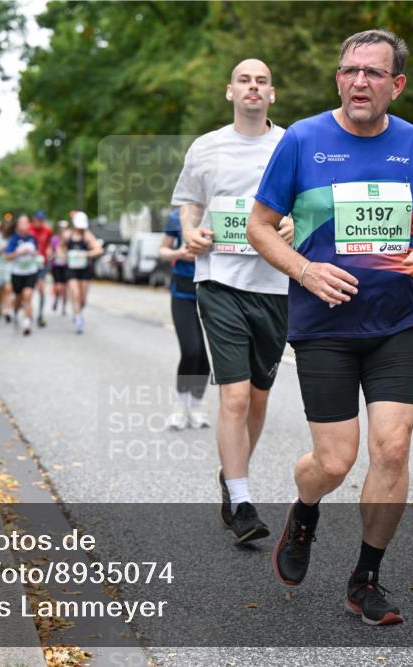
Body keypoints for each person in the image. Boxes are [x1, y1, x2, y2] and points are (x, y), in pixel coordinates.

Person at [247, 29, 413, 626]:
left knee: (393, 448)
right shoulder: (303, 141)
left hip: (398, 321)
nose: (359, 81)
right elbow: (261, 226)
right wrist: (306, 269)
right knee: (335, 462)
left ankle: (366, 578)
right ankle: (306, 509)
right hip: (324, 325)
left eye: (373, 72)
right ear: (338, 78)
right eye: (349, 71)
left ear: (397, 84)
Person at [171, 58, 294, 543]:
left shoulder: (290, 144)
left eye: (262, 80)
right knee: (236, 394)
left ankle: (231, 474)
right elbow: (189, 201)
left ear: (272, 94)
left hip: (275, 284)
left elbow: (306, 202)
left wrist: (292, 224)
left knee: (259, 398)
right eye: (244, 80)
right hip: (219, 280)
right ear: (230, 91)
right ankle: (242, 501)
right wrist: (189, 232)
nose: (253, 87)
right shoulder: (207, 147)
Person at [158, 208, 211, 430]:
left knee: (206, 358)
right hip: (183, 293)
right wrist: (179, 253)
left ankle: (196, 406)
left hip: (211, 291)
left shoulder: (215, 211)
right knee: (191, 350)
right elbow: (162, 250)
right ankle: (180, 407)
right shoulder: (176, 217)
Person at [60, 211, 103, 334]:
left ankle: (79, 310)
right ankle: (78, 316)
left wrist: (86, 254)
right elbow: (60, 247)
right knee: (75, 293)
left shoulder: (87, 236)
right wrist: (64, 255)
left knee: (83, 298)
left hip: (85, 269)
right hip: (71, 269)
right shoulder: (67, 235)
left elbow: (98, 249)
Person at [6, 214, 41, 336]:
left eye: (26, 223)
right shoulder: (13, 239)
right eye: (22, 223)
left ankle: (27, 322)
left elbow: (37, 252)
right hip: (17, 273)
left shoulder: (32, 237)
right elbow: (7, 256)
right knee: (18, 297)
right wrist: (18, 252)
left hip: (31, 271)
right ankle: (15, 311)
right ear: (18, 225)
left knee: (28, 295)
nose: (25, 225)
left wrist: (33, 252)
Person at [30, 211, 53, 328]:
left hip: (41, 264)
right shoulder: (29, 229)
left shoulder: (47, 230)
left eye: (42, 220)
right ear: (34, 219)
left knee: (42, 289)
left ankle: (40, 314)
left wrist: (49, 250)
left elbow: (49, 244)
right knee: (28, 290)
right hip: (29, 264)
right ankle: (28, 313)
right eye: (38, 219)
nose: (40, 222)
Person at [50, 219, 70, 316]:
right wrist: (52, 254)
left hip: (66, 265)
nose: (62, 230)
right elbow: (50, 250)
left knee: (65, 288)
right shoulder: (54, 239)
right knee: (58, 287)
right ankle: (56, 298)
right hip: (56, 265)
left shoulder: (69, 239)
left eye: (64, 228)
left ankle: (64, 307)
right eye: (61, 228)